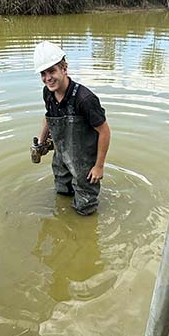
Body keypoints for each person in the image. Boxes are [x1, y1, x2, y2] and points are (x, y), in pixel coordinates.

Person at [33, 41, 111, 216]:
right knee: (62, 193)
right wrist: (41, 141)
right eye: (43, 74)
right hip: (61, 155)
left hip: (84, 162)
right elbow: (48, 116)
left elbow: (104, 132)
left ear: (64, 68)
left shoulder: (85, 99)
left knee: (85, 208)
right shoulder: (48, 93)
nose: (48, 78)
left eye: (52, 71)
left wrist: (99, 166)